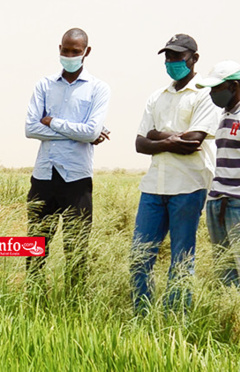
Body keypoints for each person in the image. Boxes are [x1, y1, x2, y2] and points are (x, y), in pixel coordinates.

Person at [131, 34, 219, 312]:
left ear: (194, 59)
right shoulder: (157, 96)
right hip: (154, 186)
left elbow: (192, 142)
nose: (172, 62)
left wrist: (159, 136)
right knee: (139, 256)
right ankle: (141, 313)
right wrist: (169, 141)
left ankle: (176, 316)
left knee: (182, 259)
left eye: (178, 57)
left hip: (189, 186)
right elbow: (140, 143)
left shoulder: (206, 94)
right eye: (168, 57)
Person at [25, 28, 111, 289]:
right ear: (59, 48)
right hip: (43, 175)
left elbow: (93, 130)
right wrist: (78, 133)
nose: (70, 55)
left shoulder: (98, 88)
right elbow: (30, 128)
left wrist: (53, 123)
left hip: (76, 178)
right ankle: (35, 298)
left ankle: (73, 307)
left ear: (87, 52)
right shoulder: (44, 84)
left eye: (76, 51)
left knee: (76, 249)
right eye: (66, 50)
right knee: (36, 247)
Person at [197, 61, 240, 287]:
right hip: (218, 199)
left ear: (233, 87)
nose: (212, 94)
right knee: (224, 267)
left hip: (237, 201)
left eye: (217, 88)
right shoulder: (225, 113)